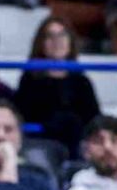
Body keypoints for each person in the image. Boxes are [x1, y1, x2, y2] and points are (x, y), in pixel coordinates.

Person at [14, 13, 102, 147]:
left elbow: (94, 120)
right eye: (50, 36)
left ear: (70, 41)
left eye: (62, 35)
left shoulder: (81, 81)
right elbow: (23, 118)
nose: (57, 41)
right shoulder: (29, 80)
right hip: (41, 146)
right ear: (41, 43)